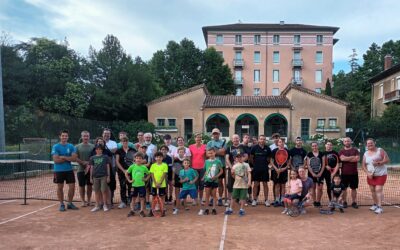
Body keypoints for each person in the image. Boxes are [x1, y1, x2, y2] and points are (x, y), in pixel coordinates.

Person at [52, 129, 78, 212]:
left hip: (69, 170)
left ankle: (69, 203)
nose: (64, 137)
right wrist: (68, 158)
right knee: (60, 187)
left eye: (66, 136)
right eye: (63, 136)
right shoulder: (55, 146)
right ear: (60, 136)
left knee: (72, 187)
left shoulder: (71, 146)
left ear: (68, 137)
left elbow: (74, 159)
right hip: (58, 171)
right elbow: (56, 160)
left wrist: (63, 157)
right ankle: (62, 204)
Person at [362, 138, 390, 214]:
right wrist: (368, 173)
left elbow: (387, 160)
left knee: (378, 190)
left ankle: (380, 207)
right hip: (371, 175)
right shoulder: (366, 153)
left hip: (381, 174)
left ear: (374, 143)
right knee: (372, 190)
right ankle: (375, 204)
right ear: (366, 145)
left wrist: (379, 163)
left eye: (371, 143)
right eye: (368, 144)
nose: (370, 144)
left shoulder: (380, 150)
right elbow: (363, 165)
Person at [199, 148, 223, 215]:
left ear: (215, 153)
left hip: (214, 180)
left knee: (214, 195)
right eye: (209, 153)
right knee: (207, 195)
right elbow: (206, 170)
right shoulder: (206, 161)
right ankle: (206, 209)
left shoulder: (218, 161)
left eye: (212, 153)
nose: (210, 154)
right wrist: (203, 177)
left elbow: (221, 171)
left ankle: (214, 208)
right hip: (207, 180)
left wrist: (216, 177)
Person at [225, 134, 248, 207]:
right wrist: (232, 167)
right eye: (234, 138)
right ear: (232, 140)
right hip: (232, 169)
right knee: (230, 184)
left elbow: (246, 156)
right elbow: (227, 158)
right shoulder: (229, 148)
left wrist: (240, 162)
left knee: (241, 183)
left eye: (237, 138)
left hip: (241, 169)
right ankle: (229, 200)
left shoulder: (243, 147)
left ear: (239, 139)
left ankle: (241, 199)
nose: (236, 140)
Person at [90, 137, 113, 208]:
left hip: (104, 176)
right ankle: (97, 205)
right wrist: (91, 177)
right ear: (95, 150)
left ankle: (105, 205)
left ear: (102, 150)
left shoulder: (105, 156)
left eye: (100, 149)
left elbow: (108, 166)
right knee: (96, 191)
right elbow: (91, 168)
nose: (98, 150)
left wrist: (108, 176)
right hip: (95, 176)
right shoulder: (92, 157)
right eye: (97, 149)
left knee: (104, 191)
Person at [206, 128, 227, 207]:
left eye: (217, 133)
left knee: (220, 182)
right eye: (214, 133)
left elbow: (223, 153)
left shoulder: (223, 142)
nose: (215, 135)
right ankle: (212, 198)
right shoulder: (209, 143)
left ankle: (220, 198)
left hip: (221, 165)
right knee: (211, 182)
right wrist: (218, 151)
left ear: (219, 134)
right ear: (212, 134)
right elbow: (207, 154)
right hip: (211, 166)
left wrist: (213, 152)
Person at [125, 152, 150, 217]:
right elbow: (126, 173)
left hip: (141, 185)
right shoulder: (132, 166)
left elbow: (149, 174)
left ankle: (141, 211)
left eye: (140, 158)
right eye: (137, 158)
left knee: (142, 198)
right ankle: (132, 210)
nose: (138, 159)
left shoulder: (144, 167)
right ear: (134, 159)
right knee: (133, 198)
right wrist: (129, 180)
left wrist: (146, 179)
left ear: (142, 160)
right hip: (134, 185)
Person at [115, 136, 137, 209]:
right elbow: (117, 162)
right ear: (121, 142)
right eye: (123, 141)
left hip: (131, 172)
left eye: (126, 141)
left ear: (128, 142)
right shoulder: (119, 151)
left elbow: (135, 161)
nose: (125, 142)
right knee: (123, 186)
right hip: (122, 172)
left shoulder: (133, 150)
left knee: (131, 186)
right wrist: (123, 170)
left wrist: (130, 170)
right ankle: (123, 201)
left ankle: (131, 201)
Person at [250, 135, 271, 207]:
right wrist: (255, 165)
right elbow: (251, 158)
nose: (262, 140)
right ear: (258, 140)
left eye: (264, 139)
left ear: (265, 140)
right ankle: (254, 200)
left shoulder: (267, 148)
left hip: (265, 169)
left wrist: (264, 165)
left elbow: (268, 159)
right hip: (256, 169)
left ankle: (266, 200)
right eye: (261, 139)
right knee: (256, 184)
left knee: (265, 184)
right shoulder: (254, 148)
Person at [339, 137, 360, 209]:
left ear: (351, 142)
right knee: (344, 189)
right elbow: (342, 159)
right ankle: (344, 202)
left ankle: (354, 202)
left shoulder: (355, 150)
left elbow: (356, 159)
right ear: (343, 142)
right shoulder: (341, 151)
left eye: (348, 141)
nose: (347, 142)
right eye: (345, 141)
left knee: (353, 188)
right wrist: (352, 157)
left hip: (354, 173)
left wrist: (346, 158)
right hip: (344, 173)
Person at [75, 130, 95, 207]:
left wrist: (89, 164)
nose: (86, 137)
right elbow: (75, 158)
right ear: (81, 137)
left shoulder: (93, 146)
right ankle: (83, 201)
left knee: (89, 186)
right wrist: (83, 163)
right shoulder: (77, 146)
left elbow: (94, 157)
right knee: (81, 186)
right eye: (84, 136)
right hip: (80, 169)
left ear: (89, 137)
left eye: (87, 136)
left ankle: (89, 201)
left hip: (91, 170)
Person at [271, 138, 290, 207]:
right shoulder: (274, 151)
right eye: (280, 142)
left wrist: (284, 168)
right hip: (276, 171)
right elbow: (271, 160)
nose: (281, 143)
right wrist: (276, 168)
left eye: (282, 142)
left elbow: (288, 162)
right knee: (277, 185)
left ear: (284, 143)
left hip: (284, 171)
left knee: (283, 185)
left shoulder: (287, 151)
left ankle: (282, 200)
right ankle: (276, 200)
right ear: (278, 143)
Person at [306, 142, 325, 207]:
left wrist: (320, 173)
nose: (314, 147)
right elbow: (308, 165)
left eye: (315, 146)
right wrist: (312, 173)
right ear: (311, 147)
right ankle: (314, 202)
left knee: (320, 188)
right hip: (311, 174)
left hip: (321, 174)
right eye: (313, 146)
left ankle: (318, 201)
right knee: (313, 188)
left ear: (317, 146)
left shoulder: (322, 154)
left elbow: (323, 165)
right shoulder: (309, 154)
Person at [149, 152, 168, 217]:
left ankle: (162, 210)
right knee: (153, 197)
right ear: (155, 158)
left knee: (162, 197)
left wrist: (160, 182)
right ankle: (152, 210)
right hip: (154, 185)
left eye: (160, 157)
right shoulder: (153, 165)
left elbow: (164, 175)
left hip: (162, 185)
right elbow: (152, 175)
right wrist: (155, 182)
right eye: (157, 157)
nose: (158, 158)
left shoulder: (165, 165)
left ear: (162, 158)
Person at [189, 133, 206, 204]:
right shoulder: (190, 147)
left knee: (201, 184)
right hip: (194, 168)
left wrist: (205, 166)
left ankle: (201, 199)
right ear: (195, 138)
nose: (198, 139)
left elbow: (205, 157)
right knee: (195, 184)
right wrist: (190, 167)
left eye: (200, 138)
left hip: (202, 168)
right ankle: (194, 199)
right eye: (197, 137)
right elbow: (190, 157)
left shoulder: (205, 146)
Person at [102, 128, 117, 207]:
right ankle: (102, 201)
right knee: (102, 183)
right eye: (105, 133)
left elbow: (114, 151)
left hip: (112, 166)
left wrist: (104, 150)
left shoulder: (113, 142)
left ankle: (110, 200)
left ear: (110, 135)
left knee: (111, 183)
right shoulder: (100, 141)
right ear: (102, 134)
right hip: (100, 167)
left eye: (108, 134)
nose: (106, 135)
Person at [172, 146, 186, 211]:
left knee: (184, 192)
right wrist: (173, 179)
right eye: (180, 152)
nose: (181, 153)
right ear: (178, 152)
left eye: (182, 152)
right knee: (177, 193)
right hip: (177, 178)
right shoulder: (175, 160)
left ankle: (184, 205)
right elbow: (174, 170)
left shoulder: (186, 160)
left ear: (184, 153)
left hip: (184, 178)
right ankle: (177, 206)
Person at [241, 133, 253, 204]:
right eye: (245, 137)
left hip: (248, 168)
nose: (247, 139)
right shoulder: (240, 146)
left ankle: (250, 197)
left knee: (249, 182)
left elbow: (250, 158)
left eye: (248, 138)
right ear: (243, 138)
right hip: (241, 168)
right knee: (242, 183)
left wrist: (252, 166)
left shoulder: (249, 148)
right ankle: (242, 198)